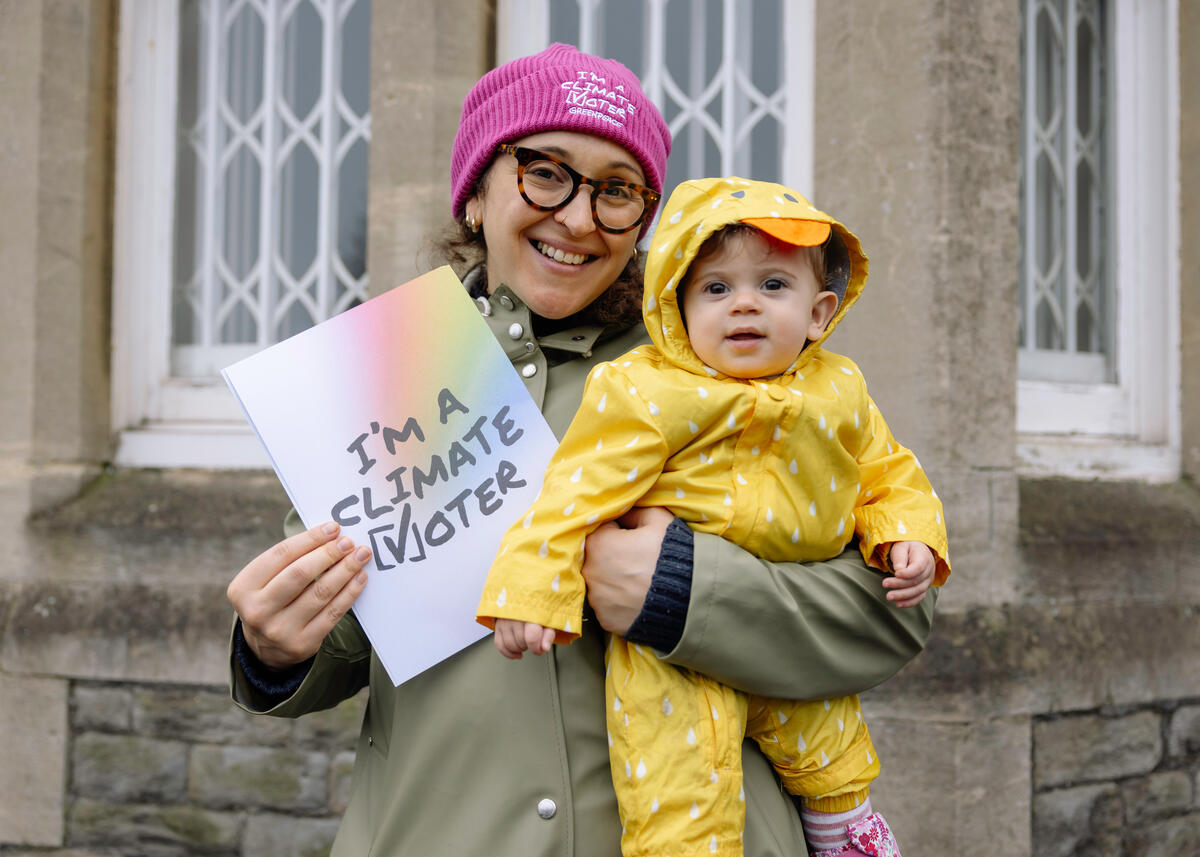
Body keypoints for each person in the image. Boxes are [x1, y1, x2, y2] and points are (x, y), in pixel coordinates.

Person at [226, 44, 938, 857]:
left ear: (644, 219)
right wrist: (277, 649)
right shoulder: (386, 373)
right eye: (546, 172)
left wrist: (684, 594)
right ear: (477, 190)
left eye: (617, 191)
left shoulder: (719, 366)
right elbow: (351, 644)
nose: (576, 217)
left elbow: (895, 615)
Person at [477, 177, 950, 857]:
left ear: (819, 313)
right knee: (679, 785)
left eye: (773, 286)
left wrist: (908, 534)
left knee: (834, 750)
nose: (745, 305)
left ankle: (848, 836)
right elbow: (574, 492)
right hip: (668, 662)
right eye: (717, 289)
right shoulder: (648, 389)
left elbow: (889, 473)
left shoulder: (840, 391)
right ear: (678, 311)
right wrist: (532, 585)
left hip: (782, 621)